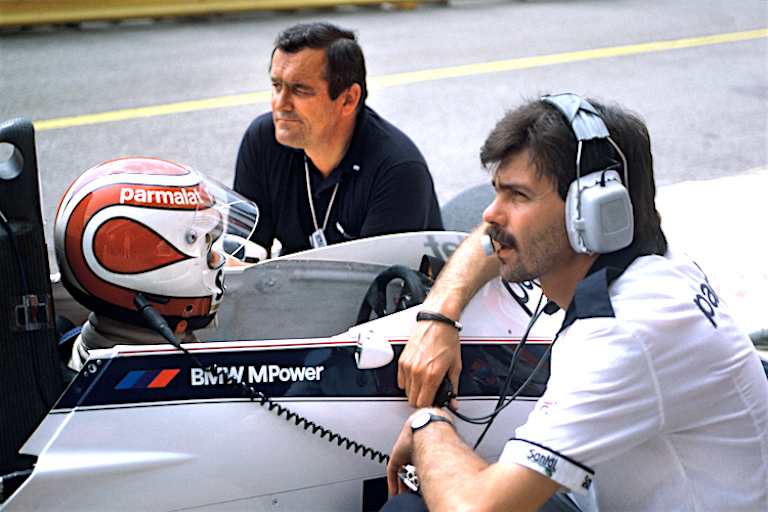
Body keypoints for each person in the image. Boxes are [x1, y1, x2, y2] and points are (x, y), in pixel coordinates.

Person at [387, 94, 768, 510]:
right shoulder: (652, 261)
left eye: (517, 196)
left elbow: (476, 508)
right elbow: (490, 237)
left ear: (593, 212)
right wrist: (440, 314)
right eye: (497, 192)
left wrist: (428, 425)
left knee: (410, 506)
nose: (491, 213)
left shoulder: (623, 335)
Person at [233, 22, 443, 256]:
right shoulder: (263, 140)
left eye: (300, 90)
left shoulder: (397, 169)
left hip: (377, 278)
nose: (280, 104)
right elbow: (244, 250)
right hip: (294, 277)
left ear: (348, 99)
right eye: (276, 85)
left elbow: (381, 277)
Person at [54, 157, 259, 371]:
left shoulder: (89, 350)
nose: (220, 260)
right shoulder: (167, 383)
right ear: (158, 270)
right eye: (207, 248)